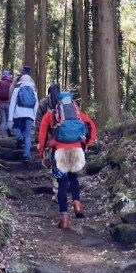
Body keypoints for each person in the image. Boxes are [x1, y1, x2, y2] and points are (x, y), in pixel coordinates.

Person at [37, 91, 97, 229]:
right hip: (77, 150)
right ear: (71, 101)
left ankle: (64, 218)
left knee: (62, 183)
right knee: (74, 178)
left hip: (59, 152)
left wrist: (41, 154)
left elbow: (42, 135)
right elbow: (92, 126)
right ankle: (77, 204)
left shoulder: (51, 115)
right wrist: (88, 143)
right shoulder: (77, 114)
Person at [7, 66, 39, 167]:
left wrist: (10, 119)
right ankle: (26, 155)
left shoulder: (17, 89)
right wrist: (34, 119)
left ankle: (19, 137)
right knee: (28, 135)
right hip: (29, 115)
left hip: (18, 114)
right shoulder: (33, 91)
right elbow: (36, 105)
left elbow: (12, 104)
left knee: (17, 129)